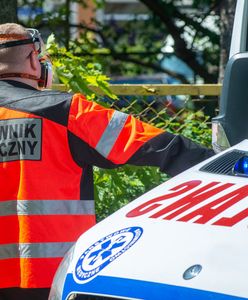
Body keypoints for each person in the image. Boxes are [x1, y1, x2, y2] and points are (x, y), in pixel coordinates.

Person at [0, 23, 214, 300]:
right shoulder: (65, 111)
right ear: (33, 60)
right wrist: (227, 168)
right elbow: (162, 146)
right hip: (55, 277)